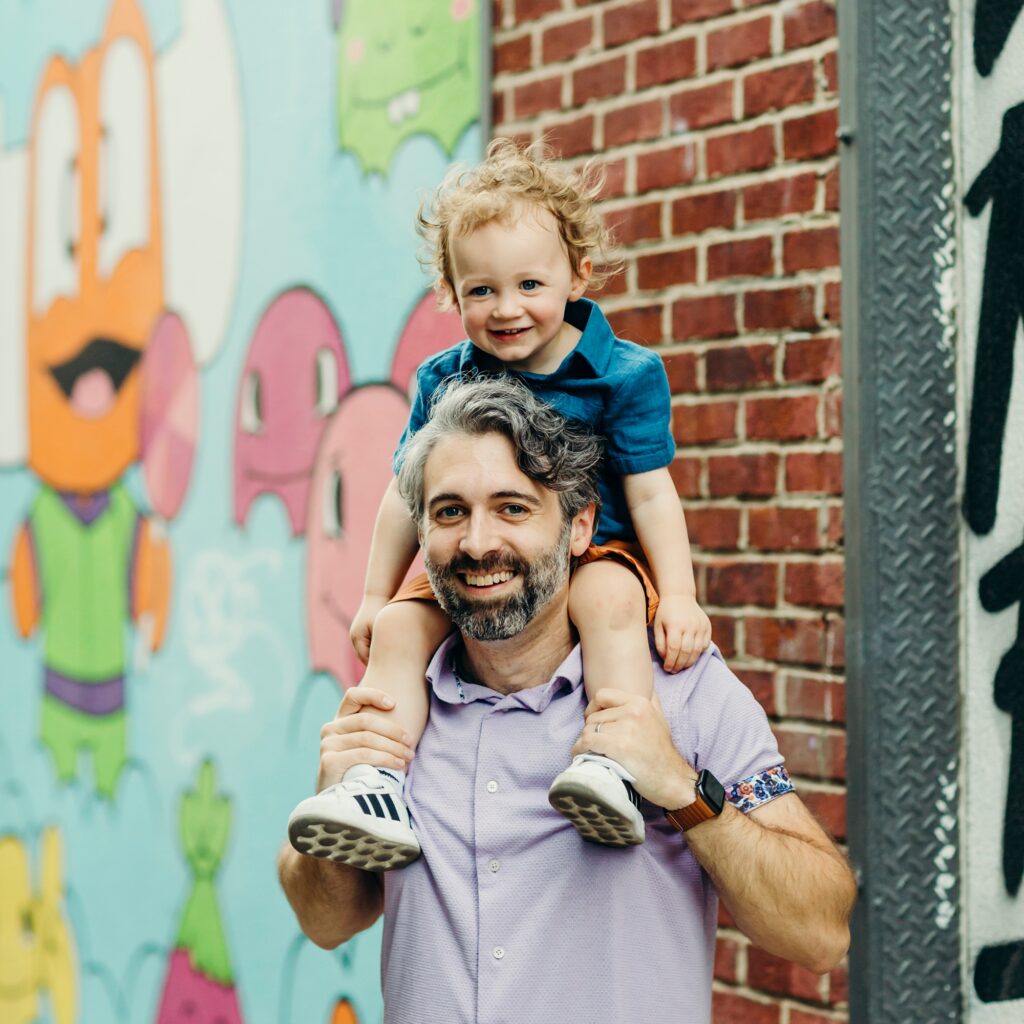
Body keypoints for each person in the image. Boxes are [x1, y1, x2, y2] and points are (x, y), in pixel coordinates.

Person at [279, 378, 856, 1024]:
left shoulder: (679, 688)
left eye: (513, 509)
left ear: (581, 524)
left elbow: (822, 934)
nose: (476, 543)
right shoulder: (395, 698)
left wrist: (684, 790)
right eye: (448, 513)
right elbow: (326, 920)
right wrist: (332, 794)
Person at [287, 138, 711, 864]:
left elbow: (649, 491)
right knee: (396, 632)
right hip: (478, 549)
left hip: (593, 545)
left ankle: (612, 759)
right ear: (451, 292)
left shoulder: (624, 375)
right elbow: (402, 495)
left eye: (529, 286)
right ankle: (374, 783)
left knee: (609, 605)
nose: (506, 309)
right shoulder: (443, 379)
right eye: (481, 290)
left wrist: (678, 595)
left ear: (577, 273)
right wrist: (372, 595)